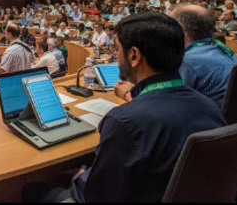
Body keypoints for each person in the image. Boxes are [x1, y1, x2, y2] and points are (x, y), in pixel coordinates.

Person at [24, 12, 226, 203]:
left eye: (117, 49)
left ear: (134, 56)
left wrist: (80, 176)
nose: (116, 56)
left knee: (34, 190)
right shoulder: (208, 105)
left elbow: (95, 196)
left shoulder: (125, 121)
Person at [171, 4, 237, 107]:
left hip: (210, 120)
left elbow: (172, 103)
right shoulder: (224, 50)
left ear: (179, 31)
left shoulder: (187, 61)